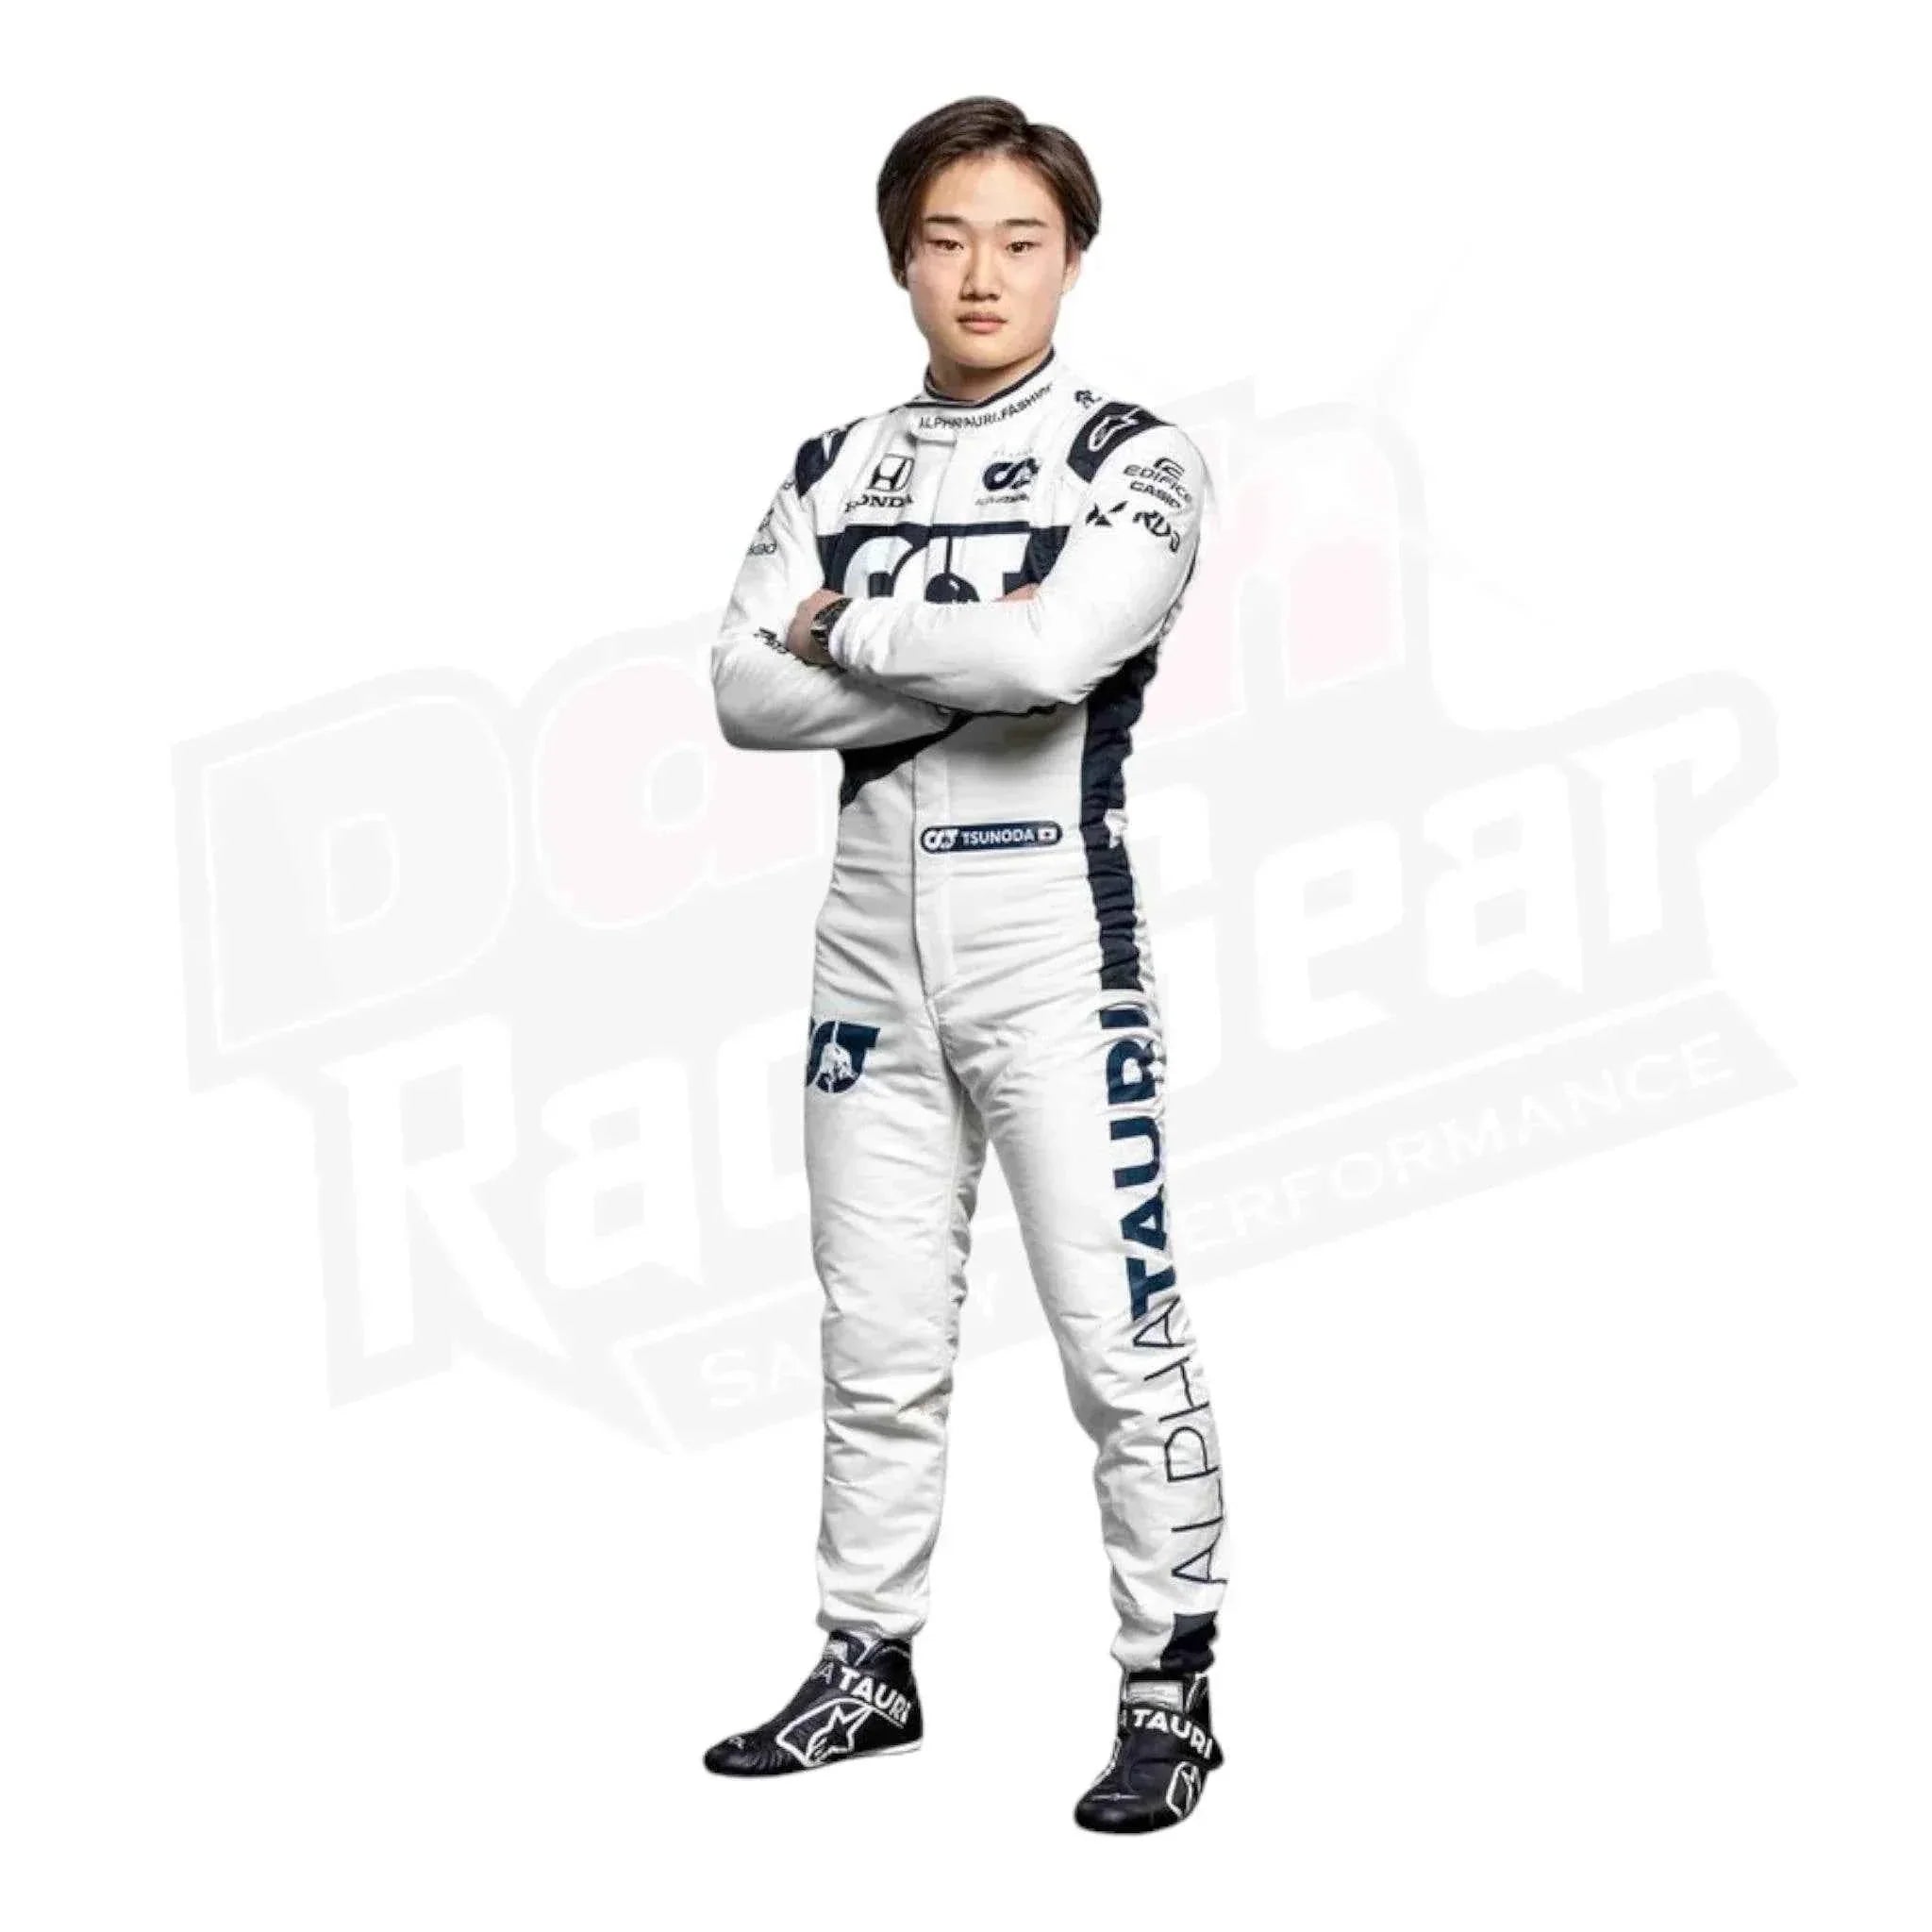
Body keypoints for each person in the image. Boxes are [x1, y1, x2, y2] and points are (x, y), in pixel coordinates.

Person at [702, 96, 1229, 1834]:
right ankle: (868, 1665)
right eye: (946, 239)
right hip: (867, 961)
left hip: (1055, 953)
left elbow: (1057, 654)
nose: (982, 274)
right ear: (901, 260)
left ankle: (1168, 1692)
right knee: (874, 1342)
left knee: (1118, 1341)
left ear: (1073, 258)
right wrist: (967, 656)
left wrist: (846, 628)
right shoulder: (831, 464)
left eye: (1021, 240)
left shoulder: (1135, 458)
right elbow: (740, 693)